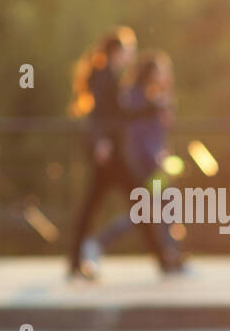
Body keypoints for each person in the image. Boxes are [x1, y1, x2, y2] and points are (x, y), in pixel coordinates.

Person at [67, 27, 179, 279]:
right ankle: (162, 259)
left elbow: (121, 114)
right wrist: (100, 141)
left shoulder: (111, 76)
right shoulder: (104, 77)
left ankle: (162, 258)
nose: (132, 55)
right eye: (129, 50)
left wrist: (152, 107)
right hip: (110, 156)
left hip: (114, 156)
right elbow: (99, 116)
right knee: (132, 205)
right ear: (117, 52)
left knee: (131, 204)